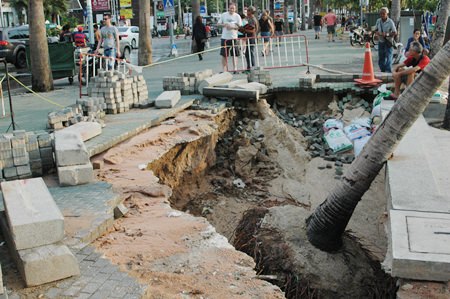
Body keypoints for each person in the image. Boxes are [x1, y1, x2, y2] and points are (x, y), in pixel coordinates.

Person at [217, 3, 242, 72]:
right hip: (225, 37)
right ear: (228, 8)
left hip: (234, 37)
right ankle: (224, 69)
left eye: (233, 8)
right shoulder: (224, 15)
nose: (231, 10)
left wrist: (233, 27)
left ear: (235, 9)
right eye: (230, 8)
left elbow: (240, 26)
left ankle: (235, 68)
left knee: (235, 54)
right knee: (224, 54)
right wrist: (224, 25)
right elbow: (218, 24)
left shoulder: (237, 16)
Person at [375, 7, 397, 73]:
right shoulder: (378, 21)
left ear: (387, 14)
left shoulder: (390, 22)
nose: (382, 15)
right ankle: (383, 70)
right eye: (381, 13)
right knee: (381, 57)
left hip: (388, 42)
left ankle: (388, 70)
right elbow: (375, 29)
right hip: (381, 41)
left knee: (389, 56)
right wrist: (376, 33)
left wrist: (386, 34)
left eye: (383, 14)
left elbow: (395, 32)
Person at [242, 6, 258, 71]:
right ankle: (249, 67)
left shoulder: (252, 19)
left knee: (250, 53)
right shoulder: (250, 18)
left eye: (248, 10)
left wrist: (243, 30)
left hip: (252, 37)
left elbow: (253, 30)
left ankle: (252, 67)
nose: (247, 12)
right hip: (249, 36)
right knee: (247, 53)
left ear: (250, 12)